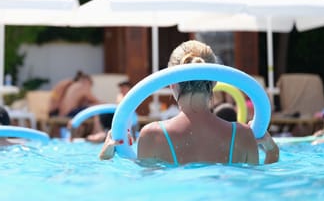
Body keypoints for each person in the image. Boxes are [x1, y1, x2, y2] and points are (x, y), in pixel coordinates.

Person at [100, 40, 279, 165]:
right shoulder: (243, 135)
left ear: (172, 83)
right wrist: (272, 153)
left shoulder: (152, 135)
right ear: (215, 82)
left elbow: (143, 186)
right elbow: (254, 186)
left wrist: (108, 158)